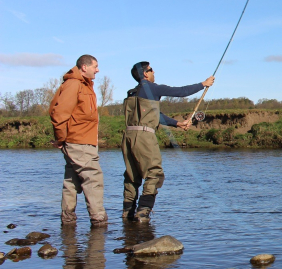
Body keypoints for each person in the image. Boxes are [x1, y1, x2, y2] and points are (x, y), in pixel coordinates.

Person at [121, 61, 214, 222]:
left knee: (132, 176)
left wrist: (177, 123)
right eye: (151, 70)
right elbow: (181, 92)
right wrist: (203, 84)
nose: (153, 72)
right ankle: (143, 213)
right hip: (145, 137)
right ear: (145, 74)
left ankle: (127, 215)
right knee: (154, 174)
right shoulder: (153, 88)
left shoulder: (132, 93)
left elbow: (155, 115)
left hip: (127, 138)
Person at [49, 54, 108, 227]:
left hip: (81, 142)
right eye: (95, 66)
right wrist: (61, 139)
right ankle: (99, 222)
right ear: (84, 67)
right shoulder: (74, 85)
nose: (97, 70)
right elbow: (59, 115)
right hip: (79, 143)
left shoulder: (84, 85)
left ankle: (67, 223)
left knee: (72, 181)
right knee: (93, 178)